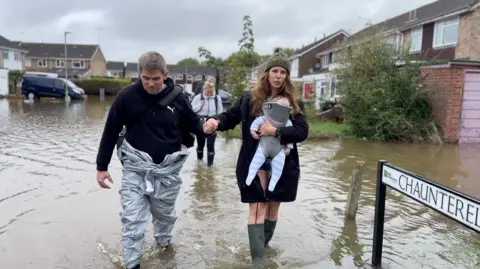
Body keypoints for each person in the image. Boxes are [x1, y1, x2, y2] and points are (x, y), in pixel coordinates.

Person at [95, 51, 211, 269]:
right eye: (145, 78)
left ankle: (165, 250)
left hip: (167, 172)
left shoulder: (178, 98)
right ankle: (132, 264)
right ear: (140, 74)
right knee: (132, 221)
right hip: (135, 169)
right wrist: (101, 167)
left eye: (155, 79)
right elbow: (110, 131)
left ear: (165, 75)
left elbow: (195, 125)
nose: (150, 83)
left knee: (164, 220)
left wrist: (208, 127)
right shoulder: (126, 97)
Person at [203, 48, 309, 266]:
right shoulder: (249, 99)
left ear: (286, 76)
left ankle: (264, 245)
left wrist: (277, 132)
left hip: (282, 163)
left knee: (273, 207)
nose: (278, 75)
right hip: (253, 160)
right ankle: (258, 262)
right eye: (275, 71)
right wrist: (216, 121)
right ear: (267, 73)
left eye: (283, 72)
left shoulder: (293, 103)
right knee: (257, 207)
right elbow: (229, 117)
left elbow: (302, 132)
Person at [247, 95, 294, 192]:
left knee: (278, 167)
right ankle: (250, 176)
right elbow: (256, 122)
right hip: (264, 146)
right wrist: (253, 131)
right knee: (256, 161)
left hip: (279, 149)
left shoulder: (288, 122)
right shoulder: (266, 117)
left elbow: (290, 135)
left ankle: (273, 183)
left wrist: (289, 147)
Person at [190, 77, 223, 166]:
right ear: (204, 90)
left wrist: (218, 127)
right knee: (200, 145)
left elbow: (220, 113)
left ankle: (210, 166)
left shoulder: (217, 99)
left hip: (213, 124)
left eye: (210, 92)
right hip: (201, 123)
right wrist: (200, 104)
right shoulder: (198, 97)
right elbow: (192, 111)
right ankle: (199, 164)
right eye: (207, 92)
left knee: (210, 146)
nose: (208, 94)